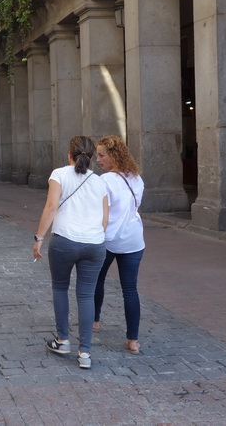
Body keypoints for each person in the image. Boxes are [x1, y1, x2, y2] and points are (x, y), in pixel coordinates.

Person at [33, 135, 109, 370]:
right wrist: (93, 235)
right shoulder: (99, 181)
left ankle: (63, 340)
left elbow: (51, 206)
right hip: (95, 244)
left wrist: (39, 238)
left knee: (60, 288)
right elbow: (105, 219)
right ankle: (85, 353)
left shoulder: (59, 174)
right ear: (93, 157)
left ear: (69, 154)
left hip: (65, 241)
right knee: (86, 296)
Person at [93, 135, 145, 355]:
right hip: (134, 239)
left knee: (97, 280)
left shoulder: (105, 181)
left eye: (101, 155)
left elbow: (99, 211)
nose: (98, 160)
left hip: (108, 239)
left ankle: (94, 320)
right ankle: (133, 339)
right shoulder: (137, 178)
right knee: (130, 290)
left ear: (114, 156)